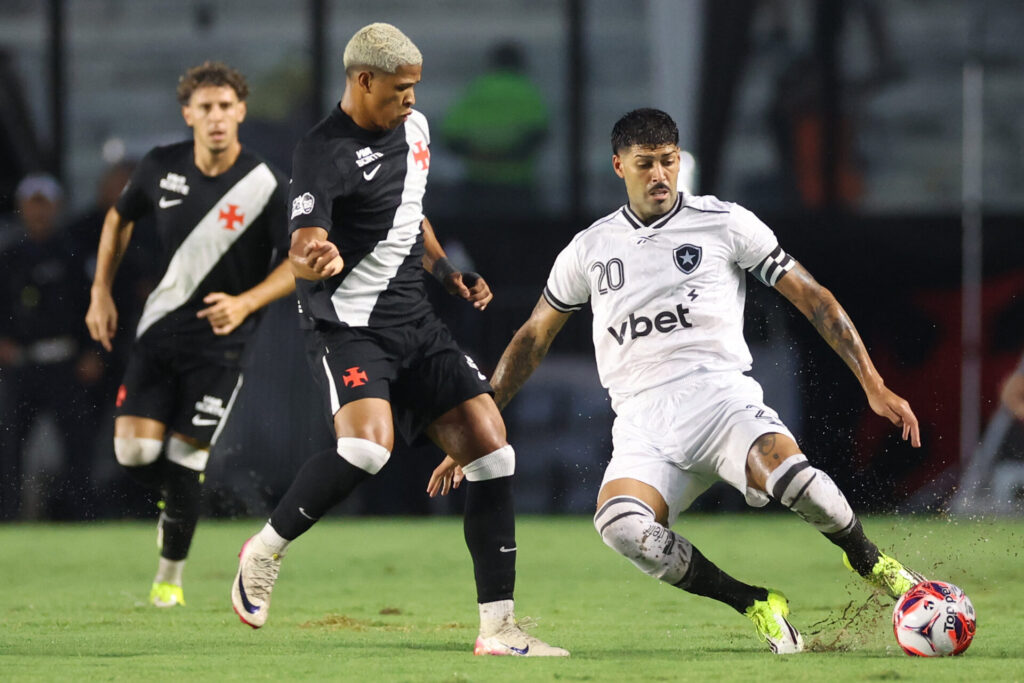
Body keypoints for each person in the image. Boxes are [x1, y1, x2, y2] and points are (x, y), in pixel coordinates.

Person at [433, 108, 926, 654]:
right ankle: (757, 603)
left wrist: (872, 383)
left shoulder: (724, 222)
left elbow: (814, 298)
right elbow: (532, 338)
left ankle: (869, 559)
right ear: (618, 165)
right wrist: (483, 420)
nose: (660, 175)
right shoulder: (590, 249)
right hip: (643, 426)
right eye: (645, 164)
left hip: (721, 404)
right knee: (620, 528)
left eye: (668, 161)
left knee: (795, 482)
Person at [230, 23, 567, 658]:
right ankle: (264, 550)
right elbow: (302, 241)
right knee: (365, 449)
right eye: (399, 89)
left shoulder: (416, 130)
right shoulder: (321, 152)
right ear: (362, 81)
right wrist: (316, 254)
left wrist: (445, 271)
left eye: (415, 88)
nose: (410, 101)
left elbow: (411, 210)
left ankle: (498, 629)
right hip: (351, 327)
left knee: (493, 452)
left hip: (416, 322)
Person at [85, 62, 294, 607]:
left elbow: (299, 261)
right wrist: (100, 292)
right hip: (159, 334)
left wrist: (246, 301)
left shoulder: (263, 183)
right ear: (189, 114)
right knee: (133, 453)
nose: (217, 117)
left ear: (241, 111)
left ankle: (169, 580)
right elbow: (117, 219)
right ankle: (176, 506)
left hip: (224, 347)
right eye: (206, 107)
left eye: (226, 106)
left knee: (186, 459)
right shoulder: (160, 166)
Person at [0, 174, 100, 520]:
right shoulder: (9, 257)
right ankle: (8, 517)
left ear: (56, 208)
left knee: (76, 444)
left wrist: (92, 350)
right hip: (22, 365)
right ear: (21, 208)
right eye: (32, 204)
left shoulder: (73, 253)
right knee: (9, 444)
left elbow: (92, 303)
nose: (39, 212)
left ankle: (80, 517)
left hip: (64, 362)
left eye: (45, 204)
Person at [440, 41, 549, 216]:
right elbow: (538, 134)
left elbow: (451, 136)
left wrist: (479, 154)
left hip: (477, 184)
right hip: (517, 186)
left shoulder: (476, 90)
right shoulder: (527, 91)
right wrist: (509, 156)